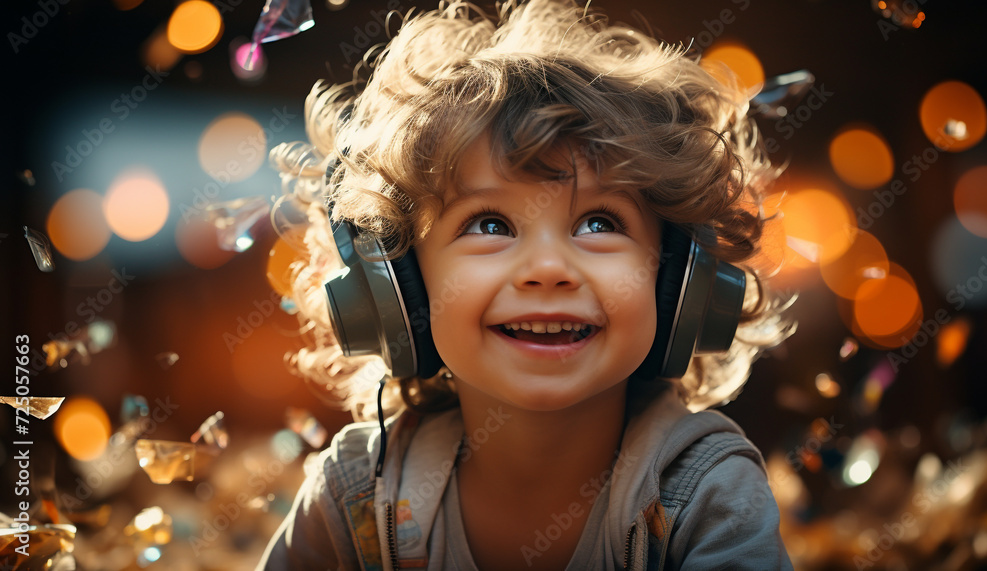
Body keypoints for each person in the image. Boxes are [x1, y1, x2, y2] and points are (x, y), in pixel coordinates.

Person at [258, 0, 796, 568]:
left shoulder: (709, 495)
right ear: (397, 287)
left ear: (679, 278)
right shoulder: (355, 499)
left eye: (599, 223)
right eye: (490, 224)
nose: (548, 268)